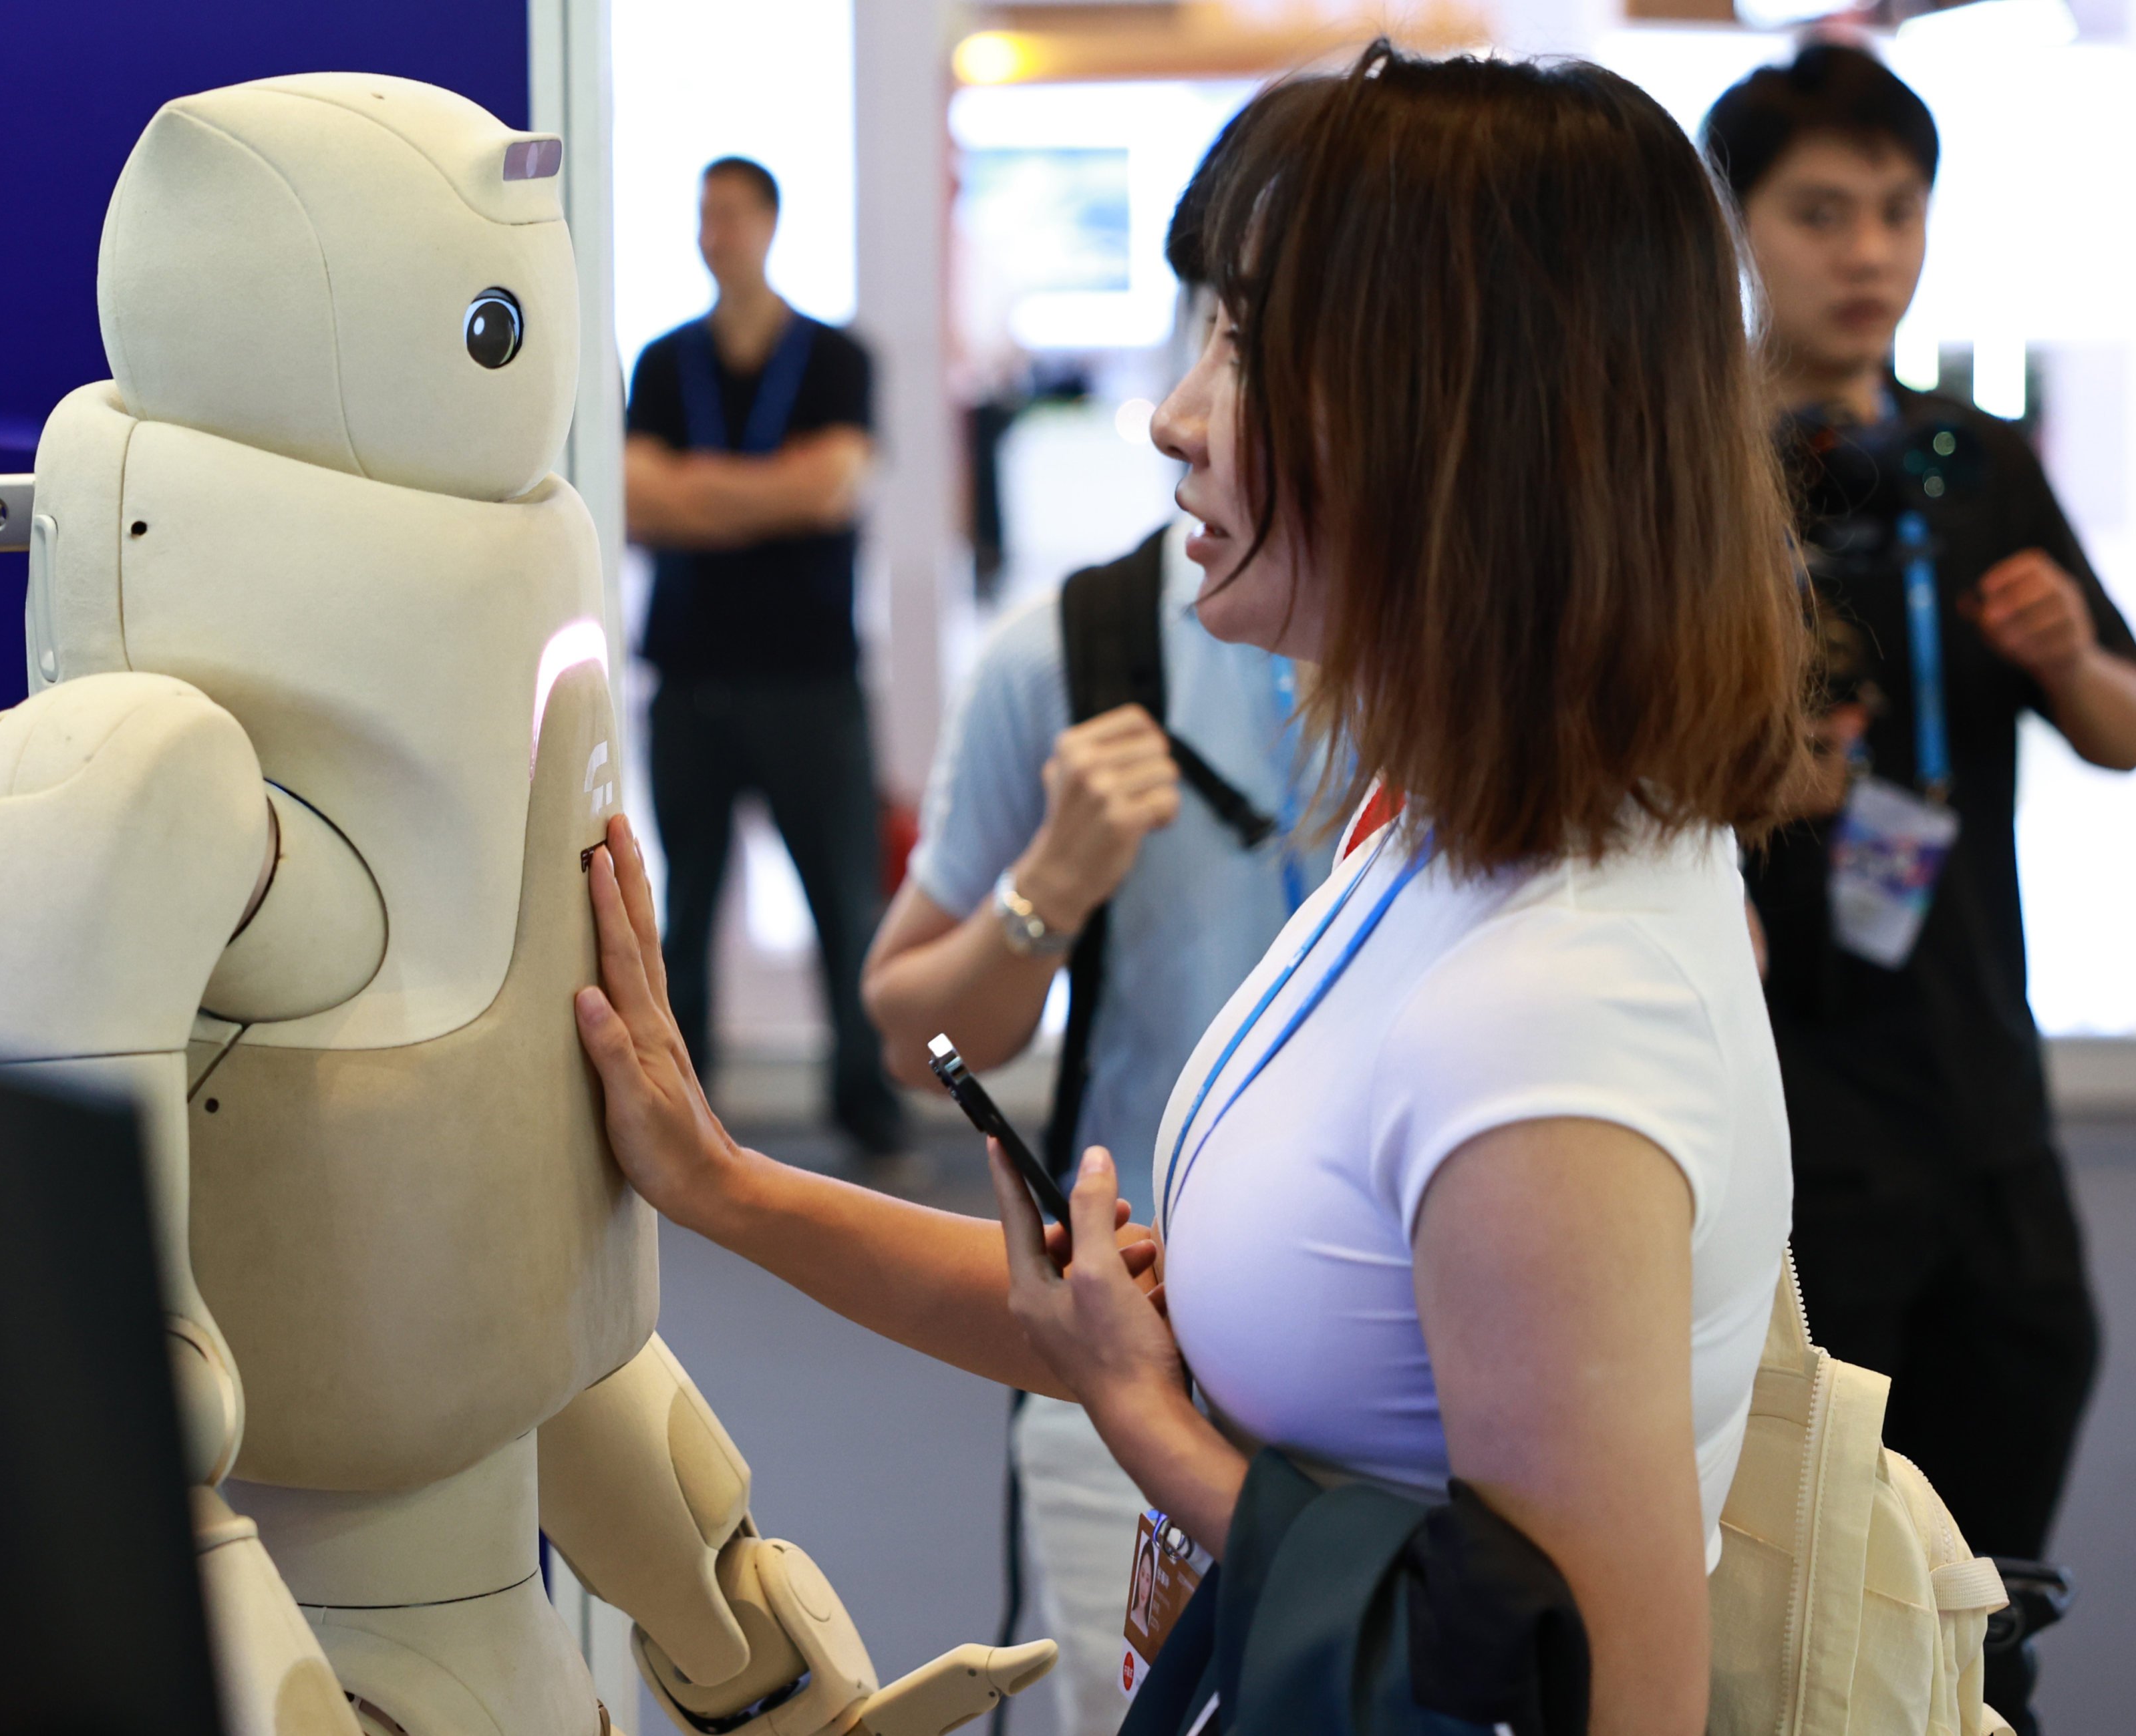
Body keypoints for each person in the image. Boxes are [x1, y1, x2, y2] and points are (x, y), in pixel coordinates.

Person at [576, 47, 1808, 1736]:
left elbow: (1575, 1693)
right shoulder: (1428, 831)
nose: (1170, 414)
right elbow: (1197, 1356)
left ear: (1442, 418)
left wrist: (1146, 1422)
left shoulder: (1548, 1004)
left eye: (1238, 345)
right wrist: (717, 1182)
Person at [859, 164, 1332, 1731]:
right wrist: (1043, 889)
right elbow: (905, 1024)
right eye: (1216, 324)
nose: (1179, 413)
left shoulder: (1521, 713)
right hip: (1131, 1352)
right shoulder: (1070, 653)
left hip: (1388, 1374)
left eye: (1252, 340)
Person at [1706, 45, 2136, 1590]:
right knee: (1813, 1558)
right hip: (1784, 1097)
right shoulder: (1686, 484)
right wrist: (1755, 769)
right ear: (1734, 228)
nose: (1867, 251)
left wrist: (2064, 652)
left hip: (1976, 1072)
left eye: (1896, 211)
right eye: (1819, 213)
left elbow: (2118, 727)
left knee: (2010, 1461)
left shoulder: (1973, 462)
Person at [623, 157, 907, 1166]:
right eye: (704, 216)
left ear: (770, 226)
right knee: (685, 912)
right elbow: (633, 498)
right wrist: (767, 491)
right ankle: (686, 1124)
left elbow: (832, 490)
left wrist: (697, 494)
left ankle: (868, 1113)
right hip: (693, 682)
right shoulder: (663, 364)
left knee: (844, 902)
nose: (717, 233)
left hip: (811, 683)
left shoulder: (834, 359)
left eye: (733, 215)